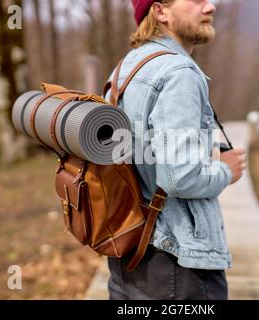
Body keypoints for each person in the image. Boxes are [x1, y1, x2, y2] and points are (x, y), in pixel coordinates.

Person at [103, 0, 246, 300]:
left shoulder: (126, 67)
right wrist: (225, 171)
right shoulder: (179, 73)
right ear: (160, 11)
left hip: (127, 254)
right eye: (196, 0)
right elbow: (179, 178)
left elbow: (145, 154)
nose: (211, 7)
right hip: (177, 267)